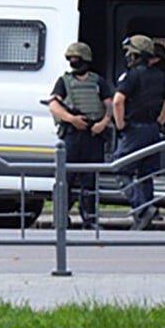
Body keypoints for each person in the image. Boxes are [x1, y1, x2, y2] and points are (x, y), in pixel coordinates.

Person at [112, 35, 165, 231]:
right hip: (152, 130)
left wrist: (120, 123)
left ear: (135, 54)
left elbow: (117, 101)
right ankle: (145, 214)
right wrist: (161, 121)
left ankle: (141, 209)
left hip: (134, 130)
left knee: (121, 169)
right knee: (145, 174)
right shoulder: (160, 76)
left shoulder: (131, 75)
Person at [48, 42, 113, 230]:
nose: (74, 62)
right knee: (65, 181)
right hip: (72, 135)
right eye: (72, 59)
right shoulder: (64, 82)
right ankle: (61, 218)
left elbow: (108, 103)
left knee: (90, 181)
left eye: (77, 59)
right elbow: (54, 105)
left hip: (93, 136)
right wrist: (72, 119)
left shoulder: (98, 81)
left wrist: (103, 123)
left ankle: (90, 219)